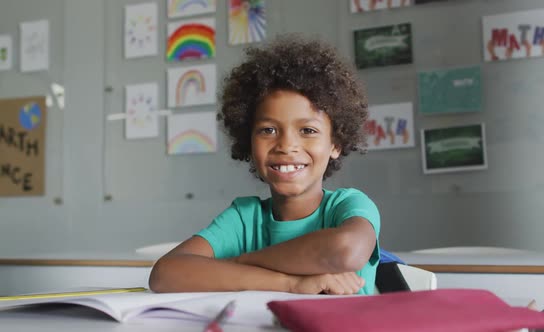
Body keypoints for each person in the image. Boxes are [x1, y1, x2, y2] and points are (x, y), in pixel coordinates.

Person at [149, 35, 381, 295]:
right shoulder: (244, 218)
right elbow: (164, 274)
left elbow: (345, 251)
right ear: (248, 141)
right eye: (268, 130)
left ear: (335, 144)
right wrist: (291, 284)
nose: (286, 145)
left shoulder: (348, 206)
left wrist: (241, 262)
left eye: (307, 130)